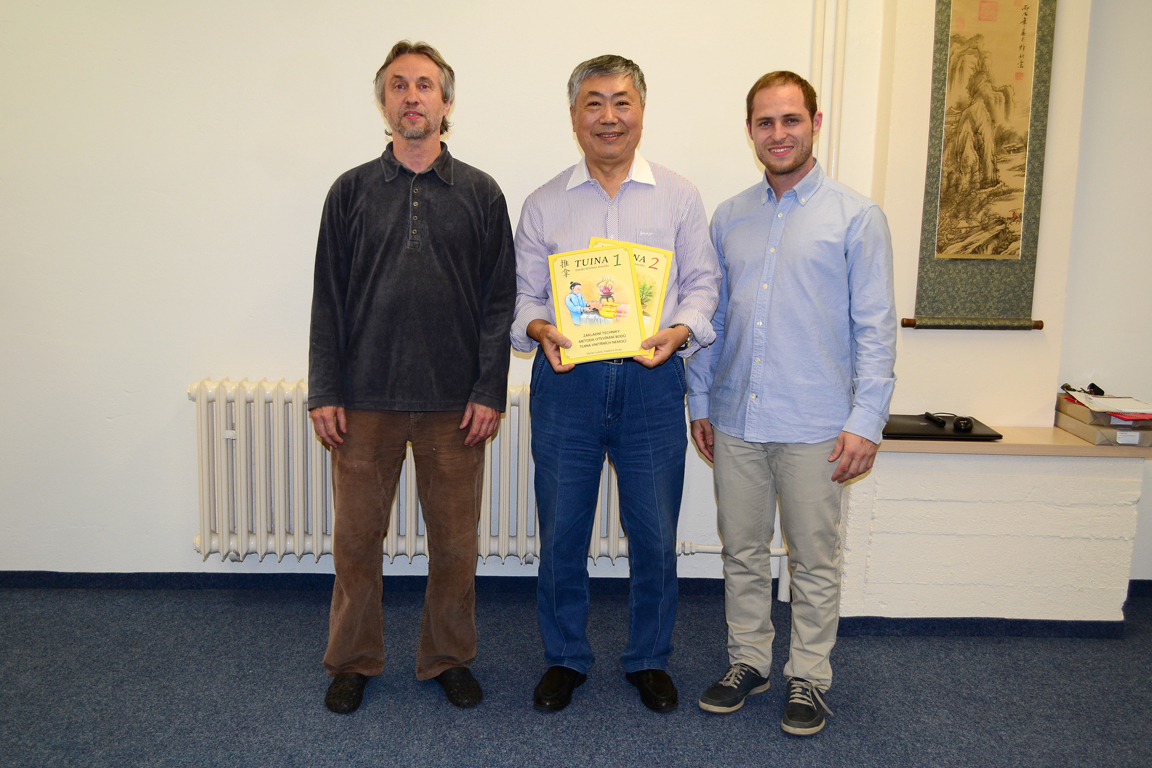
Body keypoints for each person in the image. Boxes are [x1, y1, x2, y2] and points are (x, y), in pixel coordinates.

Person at [308, 40, 516, 714]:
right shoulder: (350, 192)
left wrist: (488, 390)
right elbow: (328, 298)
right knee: (355, 544)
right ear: (384, 103)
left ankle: (448, 657)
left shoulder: (481, 193)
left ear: (446, 102)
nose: (412, 96)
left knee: (455, 546)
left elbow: (499, 304)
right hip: (363, 400)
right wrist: (324, 390)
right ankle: (353, 660)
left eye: (425, 85)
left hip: (455, 405)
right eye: (398, 85)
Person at [687, 71, 896, 735]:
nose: (778, 134)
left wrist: (867, 420)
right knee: (742, 551)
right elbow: (714, 317)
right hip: (736, 418)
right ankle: (748, 660)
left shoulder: (856, 217)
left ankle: (809, 675)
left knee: (813, 560)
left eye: (791, 120)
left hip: (817, 424)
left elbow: (876, 328)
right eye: (765, 122)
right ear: (750, 130)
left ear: (815, 123)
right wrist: (700, 399)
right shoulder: (729, 217)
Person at [511, 55, 721, 713]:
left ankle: (649, 657)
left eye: (622, 102)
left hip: (652, 383)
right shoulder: (543, 203)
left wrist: (680, 330)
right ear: (575, 116)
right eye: (594, 103)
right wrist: (539, 328)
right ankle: (564, 657)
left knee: (654, 534)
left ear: (641, 111)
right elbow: (521, 299)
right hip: (567, 384)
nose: (609, 117)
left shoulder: (679, 196)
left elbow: (703, 283)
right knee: (562, 532)